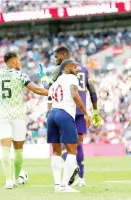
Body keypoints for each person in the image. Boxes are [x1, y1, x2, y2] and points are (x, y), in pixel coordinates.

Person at [0, 51, 48, 189]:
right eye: (18, 60)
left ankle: (8, 181)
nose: (20, 63)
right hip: (18, 117)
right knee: (18, 151)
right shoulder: (21, 75)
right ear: (12, 62)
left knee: (5, 149)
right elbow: (36, 90)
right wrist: (55, 92)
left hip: (4, 116)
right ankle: (16, 179)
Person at [36, 46, 101, 186]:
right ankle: (81, 178)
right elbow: (92, 90)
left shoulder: (61, 70)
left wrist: (42, 78)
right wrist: (94, 111)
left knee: (63, 146)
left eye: (56, 56)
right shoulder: (83, 69)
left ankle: (69, 169)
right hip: (80, 111)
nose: (55, 59)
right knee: (78, 144)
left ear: (63, 55)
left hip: (66, 110)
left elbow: (49, 88)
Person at [47, 59, 91, 192]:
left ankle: (57, 185)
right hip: (65, 114)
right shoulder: (72, 78)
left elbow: (49, 96)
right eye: (74, 67)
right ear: (66, 69)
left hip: (52, 114)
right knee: (72, 151)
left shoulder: (57, 81)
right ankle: (64, 186)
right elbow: (75, 95)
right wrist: (85, 113)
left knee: (56, 151)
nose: (77, 69)